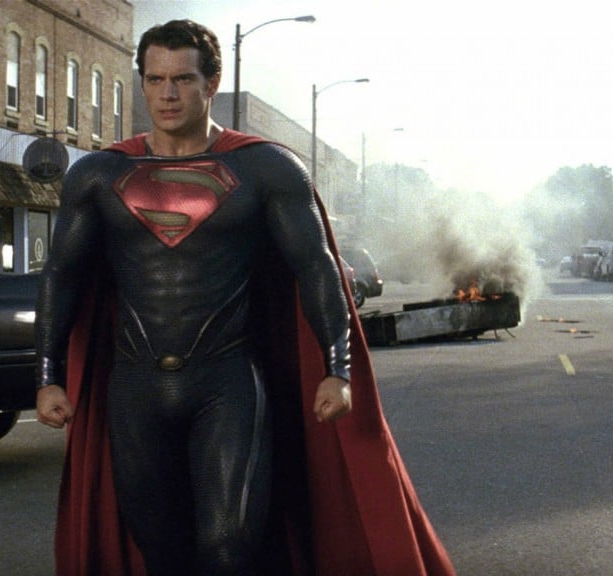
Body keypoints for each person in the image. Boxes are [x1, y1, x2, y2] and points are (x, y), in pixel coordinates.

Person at [35, 19, 455, 576]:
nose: (167, 93)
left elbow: (315, 266)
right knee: (162, 553)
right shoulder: (98, 174)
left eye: (182, 79)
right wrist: (47, 375)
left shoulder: (264, 168)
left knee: (229, 548)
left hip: (227, 383)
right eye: (155, 80)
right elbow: (62, 275)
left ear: (211, 83)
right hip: (135, 389)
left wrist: (337, 368)